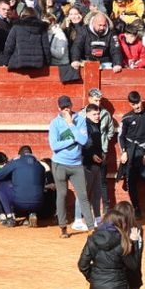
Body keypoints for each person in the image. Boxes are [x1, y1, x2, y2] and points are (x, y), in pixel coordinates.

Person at [48, 97, 91, 236]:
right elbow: (54, 146)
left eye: (68, 106)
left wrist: (71, 124)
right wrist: (73, 139)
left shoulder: (80, 120)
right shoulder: (54, 123)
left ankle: (91, 227)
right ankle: (63, 227)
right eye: (63, 107)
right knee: (62, 194)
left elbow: (83, 140)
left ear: (71, 106)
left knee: (83, 195)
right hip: (59, 164)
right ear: (59, 108)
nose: (66, 109)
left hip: (76, 164)